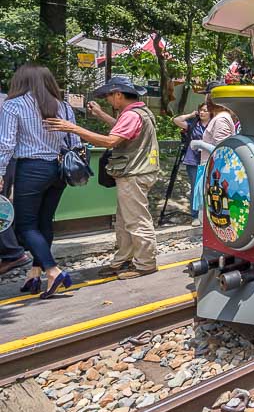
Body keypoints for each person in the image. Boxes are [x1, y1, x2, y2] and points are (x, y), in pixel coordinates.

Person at [46, 77, 160, 280]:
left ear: (118, 94)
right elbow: (121, 129)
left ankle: (146, 263)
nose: (108, 100)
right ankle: (123, 259)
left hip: (133, 173)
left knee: (136, 221)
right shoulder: (140, 112)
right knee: (125, 221)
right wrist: (100, 114)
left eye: (109, 95)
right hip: (140, 171)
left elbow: (110, 141)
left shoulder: (132, 115)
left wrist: (73, 128)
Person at [0, 65, 77, 297]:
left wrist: (0, 172)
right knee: (44, 222)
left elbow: (5, 144)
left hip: (31, 169)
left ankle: (53, 271)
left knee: (25, 227)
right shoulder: (62, 106)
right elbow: (73, 141)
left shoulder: (13, 105)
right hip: (58, 169)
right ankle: (34, 273)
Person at [189, 83, 237, 220]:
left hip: (213, 171)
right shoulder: (220, 117)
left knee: (209, 216)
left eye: (206, 95)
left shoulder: (221, 119)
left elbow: (222, 151)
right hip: (208, 168)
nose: (204, 99)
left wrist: (199, 144)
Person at [0, 80, 31, 276]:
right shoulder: (8, 101)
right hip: (10, 160)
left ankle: (12, 252)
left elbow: (6, 141)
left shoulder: (8, 103)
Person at [173, 104, 209, 226]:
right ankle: (195, 216)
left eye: (206, 110)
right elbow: (176, 120)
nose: (203, 112)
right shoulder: (193, 124)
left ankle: (208, 214)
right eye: (201, 110)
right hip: (193, 159)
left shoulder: (214, 125)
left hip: (209, 158)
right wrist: (191, 115)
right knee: (195, 187)